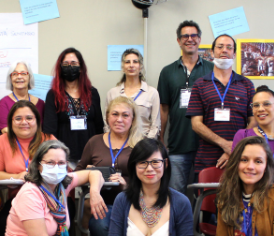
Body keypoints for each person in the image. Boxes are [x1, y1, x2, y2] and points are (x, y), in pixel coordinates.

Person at [77, 96, 143, 236]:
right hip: (101, 203)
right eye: (115, 114)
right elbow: (77, 173)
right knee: (100, 224)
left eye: (125, 115)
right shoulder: (94, 142)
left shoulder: (141, 144)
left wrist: (125, 184)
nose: (119, 119)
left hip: (132, 202)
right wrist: (89, 172)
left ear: (133, 118)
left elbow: (151, 179)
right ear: (107, 117)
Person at [157, 20, 214, 193]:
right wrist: (161, 140)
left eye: (194, 35)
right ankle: (178, 222)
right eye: (185, 36)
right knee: (175, 194)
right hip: (177, 145)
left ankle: (206, 222)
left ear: (199, 39)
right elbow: (164, 109)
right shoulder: (167, 72)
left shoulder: (212, 70)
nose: (190, 39)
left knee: (208, 195)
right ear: (178, 41)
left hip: (207, 146)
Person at [187, 34, 254, 173]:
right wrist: (224, 144)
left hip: (241, 158)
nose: (224, 50)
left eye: (229, 47)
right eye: (220, 46)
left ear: (234, 54)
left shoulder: (246, 84)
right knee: (208, 195)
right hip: (207, 159)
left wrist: (233, 148)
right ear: (212, 52)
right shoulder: (200, 84)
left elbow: (254, 122)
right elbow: (196, 124)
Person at [0, 100, 56, 236]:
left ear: (37, 120)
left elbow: (60, 169)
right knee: (3, 221)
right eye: (18, 118)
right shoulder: (3, 140)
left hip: (49, 197)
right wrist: (17, 176)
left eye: (29, 118)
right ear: (11, 121)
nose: (24, 122)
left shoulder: (48, 139)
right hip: (18, 198)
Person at [43, 48, 103, 163]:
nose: (70, 66)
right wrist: (57, 157)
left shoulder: (92, 93)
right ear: (60, 68)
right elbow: (49, 130)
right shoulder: (53, 95)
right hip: (64, 157)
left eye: (74, 63)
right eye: (65, 64)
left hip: (91, 156)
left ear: (81, 67)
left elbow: (99, 126)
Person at [106, 48, 161, 139]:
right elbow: (107, 122)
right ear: (123, 67)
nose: (131, 65)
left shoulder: (152, 93)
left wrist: (146, 146)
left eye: (135, 62)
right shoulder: (113, 93)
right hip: (118, 144)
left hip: (143, 144)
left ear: (141, 66)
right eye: (127, 62)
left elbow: (155, 125)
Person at [0, 61, 44, 134]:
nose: (19, 77)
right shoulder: (4, 103)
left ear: (30, 77)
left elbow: (43, 129)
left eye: (23, 73)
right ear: (10, 78)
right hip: (13, 144)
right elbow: (5, 130)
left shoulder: (41, 103)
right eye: (15, 74)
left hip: (37, 144)